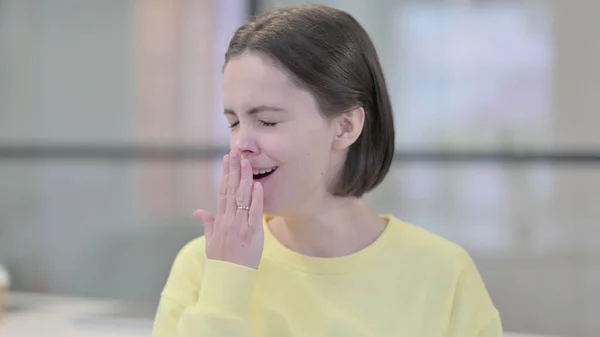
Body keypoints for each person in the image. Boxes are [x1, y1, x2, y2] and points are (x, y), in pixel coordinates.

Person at [152, 4, 502, 337]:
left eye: (267, 120)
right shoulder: (204, 265)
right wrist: (227, 282)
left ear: (346, 126)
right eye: (233, 121)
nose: (241, 142)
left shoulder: (443, 274)